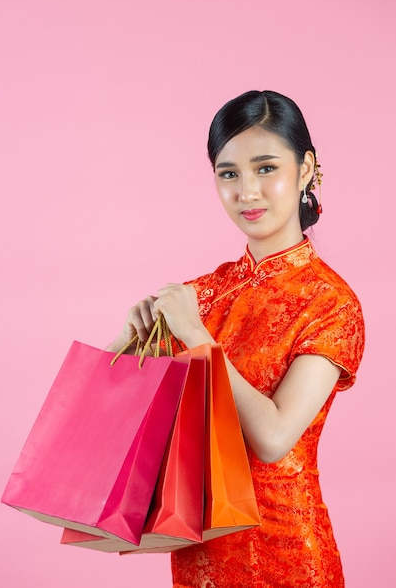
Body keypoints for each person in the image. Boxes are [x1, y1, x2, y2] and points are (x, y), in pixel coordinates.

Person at [108, 90, 365, 587]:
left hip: (286, 554)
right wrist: (125, 344)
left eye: (266, 167)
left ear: (306, 169)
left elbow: (272, 438)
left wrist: (196, 337)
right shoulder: (200, 294)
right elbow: (122, 429)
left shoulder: (330, 302)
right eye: (229, 173)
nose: (247, 191)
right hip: (198, 550)